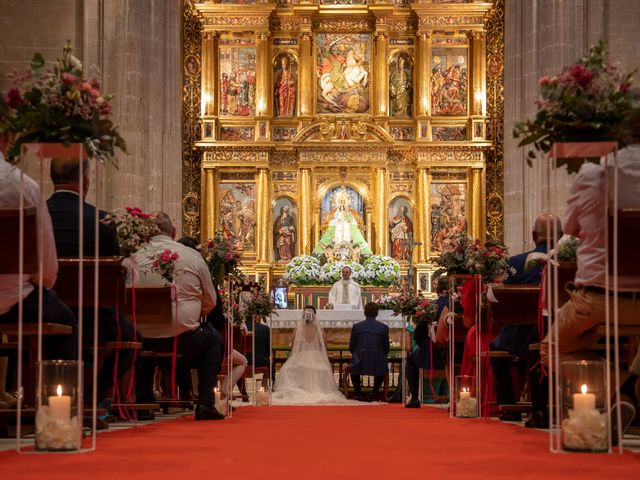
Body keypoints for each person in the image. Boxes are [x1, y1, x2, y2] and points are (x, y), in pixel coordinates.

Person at [536, 144, 640, 430]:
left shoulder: (592, 175)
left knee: (551, 348)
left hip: (599, 297)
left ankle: (626, 388)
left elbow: (569, 228)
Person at [47, 157, 136, 407]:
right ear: (86, 181)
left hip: (45, 311)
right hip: (93, 317)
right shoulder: (102, 221)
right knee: (131, 339)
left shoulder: (37, 214)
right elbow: (116, 273)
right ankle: (90, 399)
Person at [0, 128, 77, 407]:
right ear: (6, 138)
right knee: (65, 322)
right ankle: (56, 412)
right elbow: (45, 268)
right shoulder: (23, 186)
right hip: (12, 301)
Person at [130, 212, 224, 420]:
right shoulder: (192, 256)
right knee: (214, 340)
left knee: (145, 336)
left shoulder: (133, 257)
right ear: (173, 232)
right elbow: (210, 300)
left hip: (141, 339)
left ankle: (144, 401)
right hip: (183, 339)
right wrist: (193, 314)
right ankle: (205, 403)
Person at [489, 213, 562, 421]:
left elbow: (503, 300)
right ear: (562, 235)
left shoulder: (516, 262)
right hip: (561, 331)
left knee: (496, 347)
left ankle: (510, 406)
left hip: (521, 335)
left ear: (532, 235)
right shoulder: (569, 261)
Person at [272, 306, 348, 404]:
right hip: (317, 356)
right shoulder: (320, 330)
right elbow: (324, 346)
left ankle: (298, 388)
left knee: (287, 369)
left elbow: (293, 347)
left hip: (301, 356)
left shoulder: (298, 330)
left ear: (304, 315)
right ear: (314, 316)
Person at [405, 278, 450, 407]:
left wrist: (422, 344)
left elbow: (418, 334)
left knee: (411, 359)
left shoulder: (431, 306)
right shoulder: (457, 305)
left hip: (431, 354)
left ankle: (414, 397)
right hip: (454, 354)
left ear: (437, 290)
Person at [349, 302, 390, 401]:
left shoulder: (357, 327)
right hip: (377, 359)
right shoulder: (383, 328)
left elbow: (352, 346)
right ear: (377, 313)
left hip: (360, 359)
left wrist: (357, 354)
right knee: (381, 367)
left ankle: (358, 393)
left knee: (354, 368)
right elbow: (386, 347)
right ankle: (374, 392)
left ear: (364, 312)